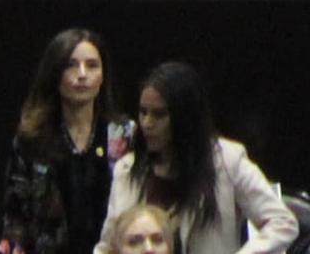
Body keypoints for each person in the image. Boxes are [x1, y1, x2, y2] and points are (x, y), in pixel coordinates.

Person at [104, 58, 297, 254]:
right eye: (143, 112)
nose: (147, 123)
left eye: (159, 114)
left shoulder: (228, 161)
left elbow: (282, 223)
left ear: (184, 117)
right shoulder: (127, 169)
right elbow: (106, 246)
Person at [2, 28, 120, 254]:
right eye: (71, 65)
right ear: (54, 74)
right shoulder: (32, 140)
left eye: (92, 65)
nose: (82, 74)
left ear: (103, 76)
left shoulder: (123, 135)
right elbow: (15, 221)